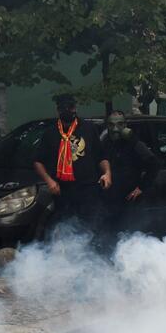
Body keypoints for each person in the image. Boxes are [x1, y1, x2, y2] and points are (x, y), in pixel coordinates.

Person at [33, 94, 112, 232]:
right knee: (66, 228)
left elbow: (101, 156)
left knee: (91, 227)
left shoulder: (88, 128)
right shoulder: (50, 133)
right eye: (66, 108)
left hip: (88, 189)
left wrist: (107, 173)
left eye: (72, 107)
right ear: (58, 110)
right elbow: (38, 162)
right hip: (63, 192)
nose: (70, 111)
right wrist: (49, 181)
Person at [99, 111, 160, 237]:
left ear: (125, 125)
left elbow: (154, 164)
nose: (115, 128)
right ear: (107, 126)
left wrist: (142, 187)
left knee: (130, 235)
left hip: (129, 201)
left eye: (120, 124)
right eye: (111, 124)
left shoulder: (134, 143)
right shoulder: (105, 143)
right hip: (109, 200)